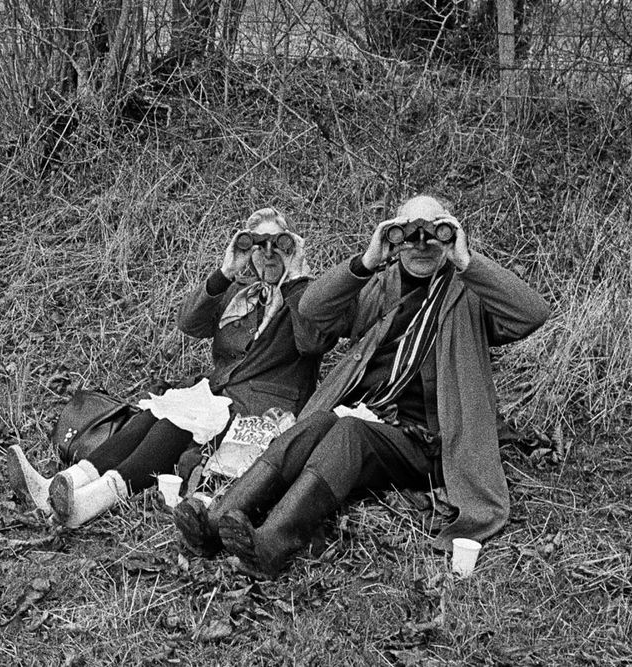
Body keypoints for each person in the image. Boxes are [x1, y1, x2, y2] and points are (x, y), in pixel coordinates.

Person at [181, 194, 550, 577]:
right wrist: (367, 262)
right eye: (408, 233)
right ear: (393, 237)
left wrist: (465, 260)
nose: (421, 243)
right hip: (374, 421)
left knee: (349, 431)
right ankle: (216, 520)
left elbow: (532, 313)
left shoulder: (469, 292)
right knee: (318, 421)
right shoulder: (381, 286)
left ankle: (274, 541)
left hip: (431, 442)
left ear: (449, 235)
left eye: (433, 232)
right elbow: (312, 308)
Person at [7, 208, 335, 528]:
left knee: (171, 428)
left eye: (277, 243)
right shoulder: (239, 293)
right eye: (256, 243)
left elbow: (312, 342)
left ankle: (85, 504)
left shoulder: (308, 295)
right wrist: (224, 273)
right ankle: (60, 483)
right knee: (147, 419)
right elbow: (189, 323)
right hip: (218, 398)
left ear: (290, 246)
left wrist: (295, 279)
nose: (267, 252)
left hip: (262, 414)